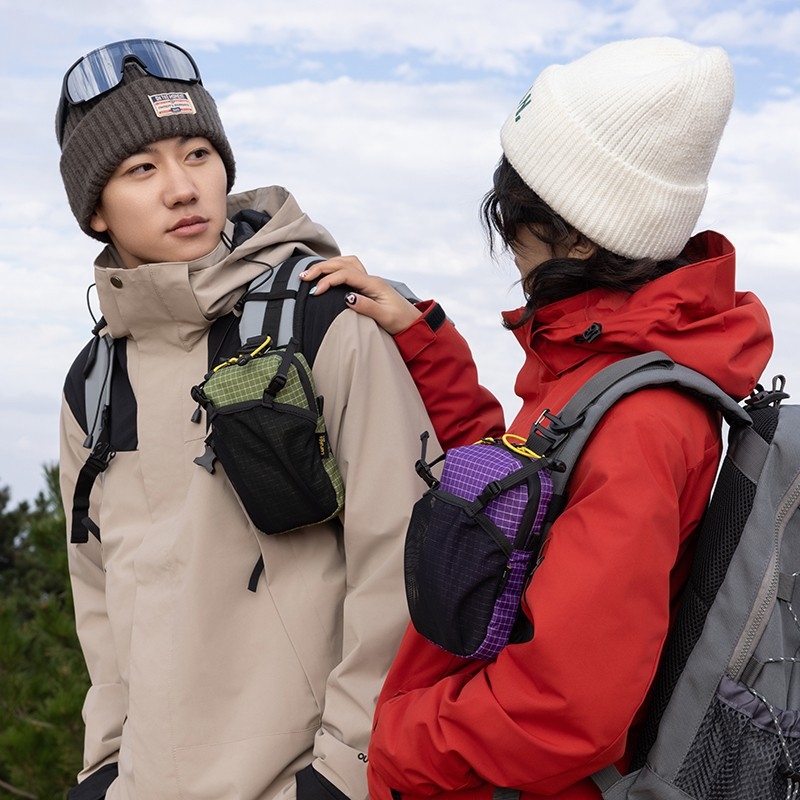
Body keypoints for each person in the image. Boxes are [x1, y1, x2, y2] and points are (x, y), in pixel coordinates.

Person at [300, 37, 774, 800]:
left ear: (582, 232)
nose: (508, 239)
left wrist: (398, 741)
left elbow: (562, 709)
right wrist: (423, 341)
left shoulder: (643, 416)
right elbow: (510, 495)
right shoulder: (598, 362)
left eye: (518, 213)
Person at [55, 38, 439, 800]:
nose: (182, 187)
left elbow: (398, 551)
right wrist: (102, 765)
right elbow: (96, 586)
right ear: (95, 211)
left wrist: (344, 771)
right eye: (142, 169)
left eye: (198, 153)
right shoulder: (92, 381)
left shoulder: (321, 318)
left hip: (300, 782)